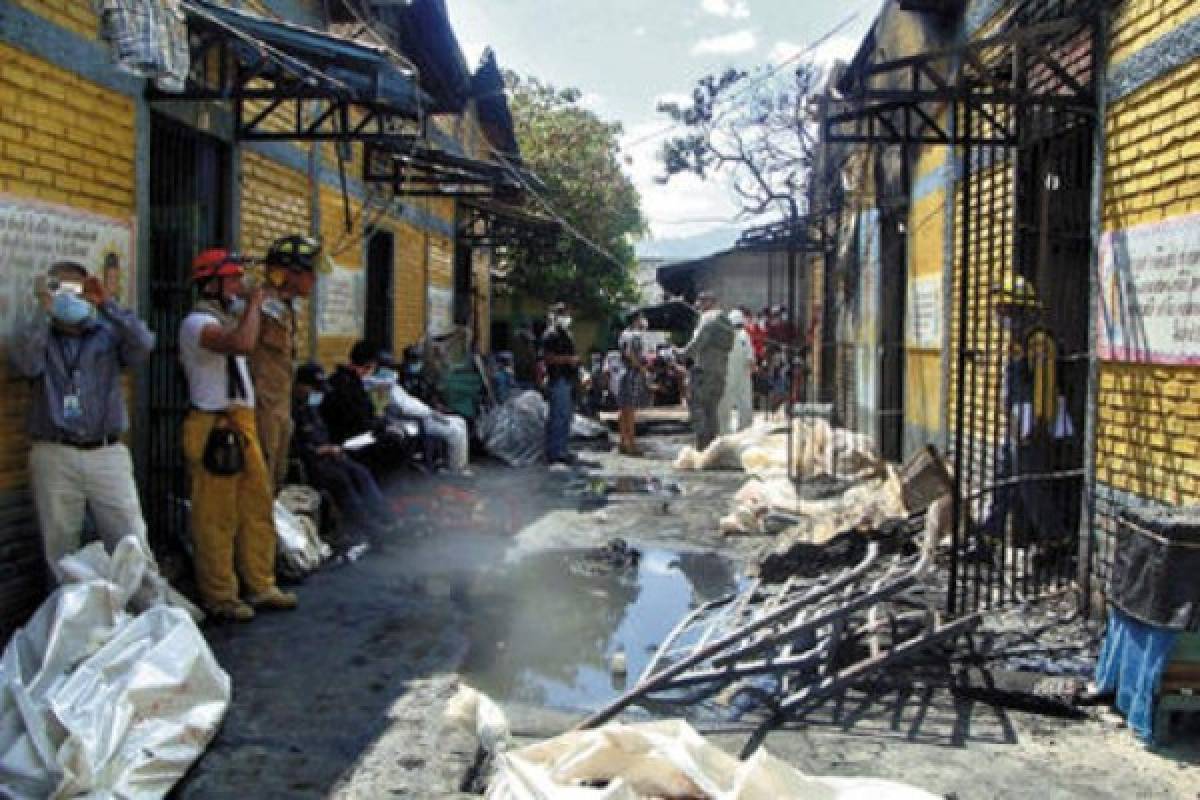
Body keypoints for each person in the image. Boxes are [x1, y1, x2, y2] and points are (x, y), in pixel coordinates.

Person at [9, 261, 156, 578]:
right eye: (61, 290)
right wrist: (43, 311)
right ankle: (71, 615)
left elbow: (143, 344)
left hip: (106, 452)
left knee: (131, 538)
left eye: (77, 290)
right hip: (54, 452)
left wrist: (107, 303)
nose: (70, 298)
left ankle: (153, 612)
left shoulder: (106, 333)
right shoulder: (41, 335)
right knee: (60, 549)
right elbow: (25, 364)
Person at [179, 249, 296, 621]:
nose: (238, 286)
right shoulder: (197, 323)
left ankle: (260, 583)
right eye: (231, 280)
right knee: (216, 515)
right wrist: (254, 304)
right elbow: (243, 344)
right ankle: (220, 595)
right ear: (211, 284)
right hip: (213, 423)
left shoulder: (229, 317)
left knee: (255, 506)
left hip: (241, 420)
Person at [976, 275, 1075, 565]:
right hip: (1016, 427)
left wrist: (1040, 426)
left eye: (1005, 310)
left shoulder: (1039, 341)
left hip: (1032, 428)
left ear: (1020, 310)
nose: (1000, 316)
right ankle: (988, 541)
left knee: (1031, 488)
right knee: (1002, 482)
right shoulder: (1018, 341)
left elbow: (1045, 386)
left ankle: (1057, 542)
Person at [249, 235, 321, 491]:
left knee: (275, 479)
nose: (314, 280)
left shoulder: (285, 307)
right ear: (291, 273)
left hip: (279, 405)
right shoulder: (262, 305)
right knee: (259, 481)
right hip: (261, 406)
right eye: (309, 272)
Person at [291, 363, 395, 537]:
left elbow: (324, 434)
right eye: (313, 388)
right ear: (300, 385)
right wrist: (319, 450)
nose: (317, 394)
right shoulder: (290, 411)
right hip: (311, 462)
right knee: (342, 481)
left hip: (332, 456)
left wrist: (334, 448)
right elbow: (291, 448)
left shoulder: (311, 410)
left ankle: (386, 518)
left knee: (360, 472)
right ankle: (369, 528)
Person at [321, 340, 413, 477]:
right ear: (367, 366)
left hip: (353, 433)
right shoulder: (347, 387)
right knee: (394, 443)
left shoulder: (346, 381)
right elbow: (359, 421)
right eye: (372, 368)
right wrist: (382, 427)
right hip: (348, 440)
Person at [679, 291, 735, 449]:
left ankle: (702, 447)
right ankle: (713, 448)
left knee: (697, 406)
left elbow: (697, 343)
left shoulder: (708, 318)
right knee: (712, 410)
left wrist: (680, 353)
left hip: (704, 371)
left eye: (701, 302)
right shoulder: (726, 321)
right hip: (720, 372)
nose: (699, 305)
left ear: (709, 302)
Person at [541, 302, 579, 466]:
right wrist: (568, 360)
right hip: (558, 379)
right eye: (563, 314)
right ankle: (555, 452)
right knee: (558, 416)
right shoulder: (550, 335)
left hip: (568, 378)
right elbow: (548, 358)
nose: (567, 318)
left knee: (565, 417)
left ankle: (562, 449)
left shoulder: (566, 334)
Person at [616, 313, 651, 455]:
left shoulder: (624, 334)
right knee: (630, 410)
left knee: (623, 409)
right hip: (632, 373)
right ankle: (631, 445)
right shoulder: (635, 335)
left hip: (623, 373)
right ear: (636, 320)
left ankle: (622, 442)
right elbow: (630, 354)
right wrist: (642, 368)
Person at [718, 309, 756, 434]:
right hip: (742, 376)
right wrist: (753, 367)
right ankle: (745, 429)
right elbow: (750, 357)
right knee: (744, 402)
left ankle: (724, 430)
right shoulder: (744, 335)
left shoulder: (725, 336)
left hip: (728, 375)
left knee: (725, 402)